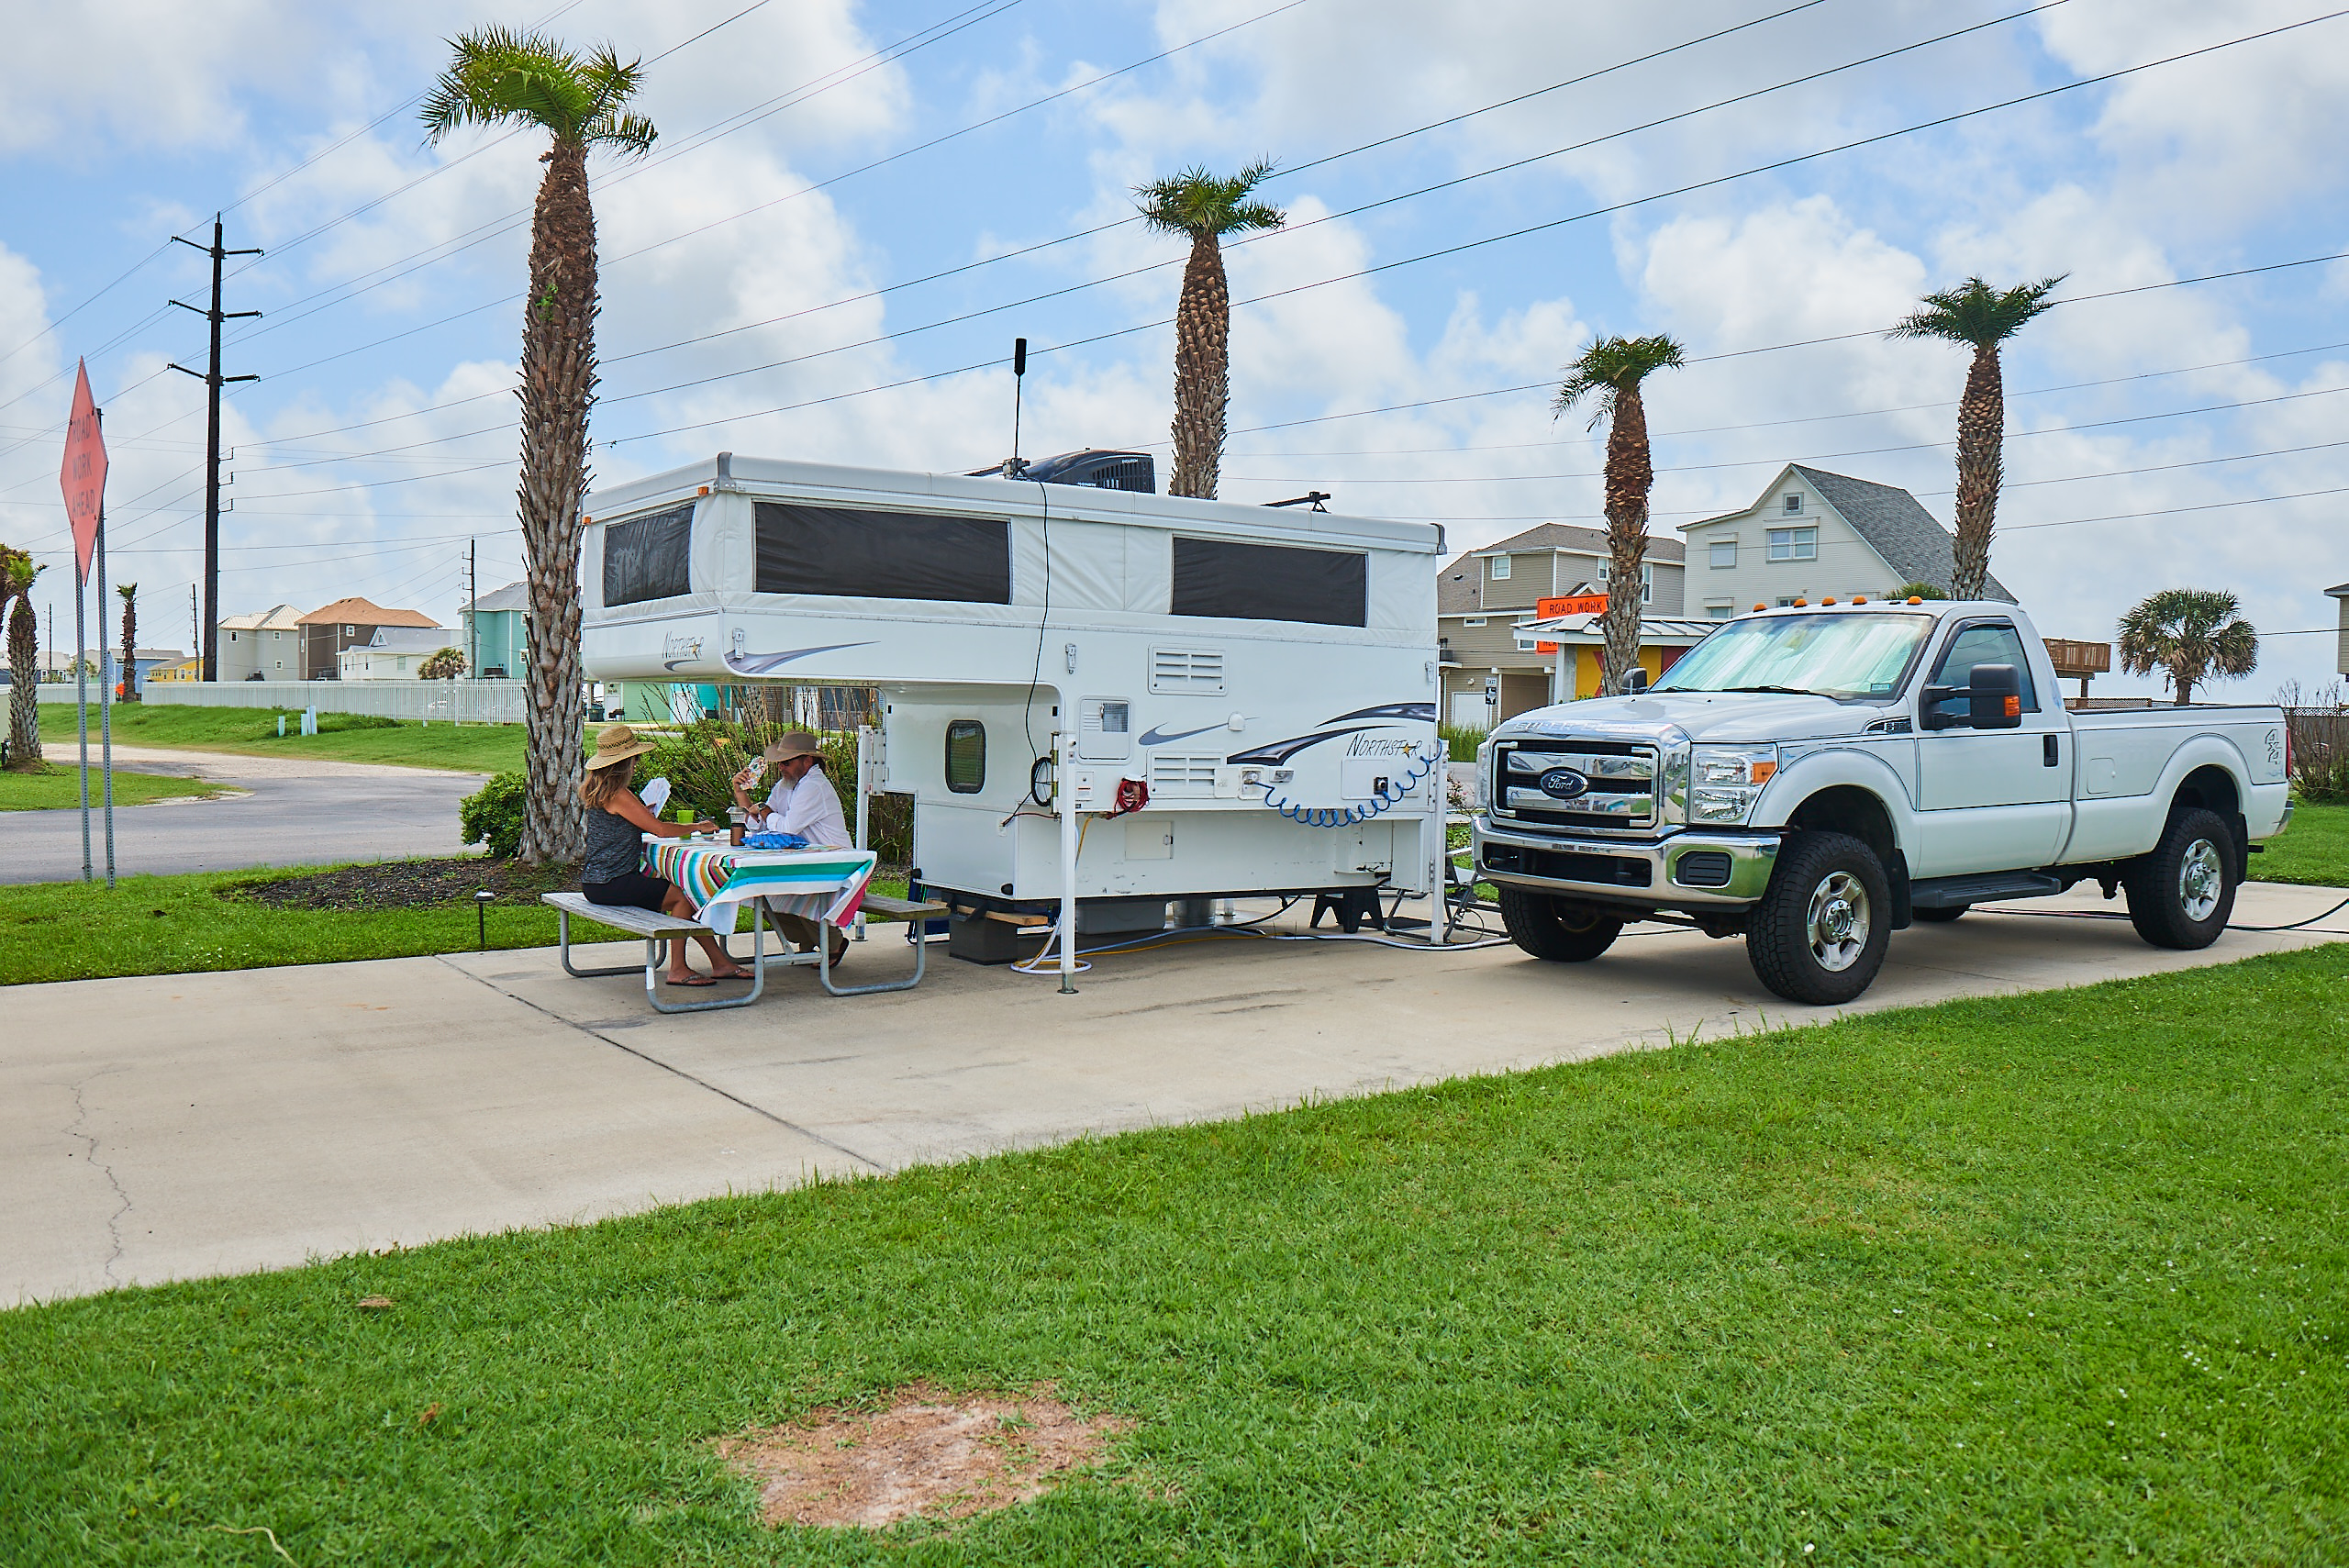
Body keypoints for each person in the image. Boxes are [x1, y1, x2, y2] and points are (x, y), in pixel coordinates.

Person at [578, 723, 753, 987]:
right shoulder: (619, 794)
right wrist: (698, 827)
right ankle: (679, 969)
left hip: (596, 881)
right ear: (625, 762)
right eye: (635, 759)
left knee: (684, 893)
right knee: (684, 895)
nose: (637, 764)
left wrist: (643, 814)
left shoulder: (599, 790)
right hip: (611, 882)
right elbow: (659, 830)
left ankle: (720, 963)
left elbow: (634, 824)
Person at [730, 730, 852, 964]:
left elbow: (786, 828)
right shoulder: (786, 785)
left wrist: (764, 809)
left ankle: (833, 943)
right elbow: (760, 826)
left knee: (798, 893)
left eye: (786, 762)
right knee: (765, 899)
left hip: (836, 862)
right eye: (779, 763)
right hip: (808, 859)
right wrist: (741, 795)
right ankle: (814, 942)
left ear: (807, 760)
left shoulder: (814, 785)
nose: (781, 768)